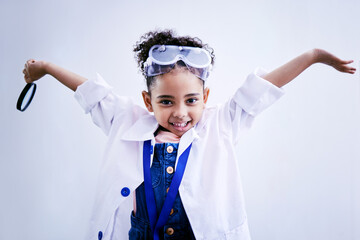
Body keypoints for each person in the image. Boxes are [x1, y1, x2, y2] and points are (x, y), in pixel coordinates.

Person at [22, 30, 356, 240]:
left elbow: (262, 88)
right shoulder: (126, 120)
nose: (180, 113)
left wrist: (313, 57)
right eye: (166, 102)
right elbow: (92, 92)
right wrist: (47, 68)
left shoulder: (220, 124)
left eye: (191, 100)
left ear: (205, 99)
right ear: (147, 101)